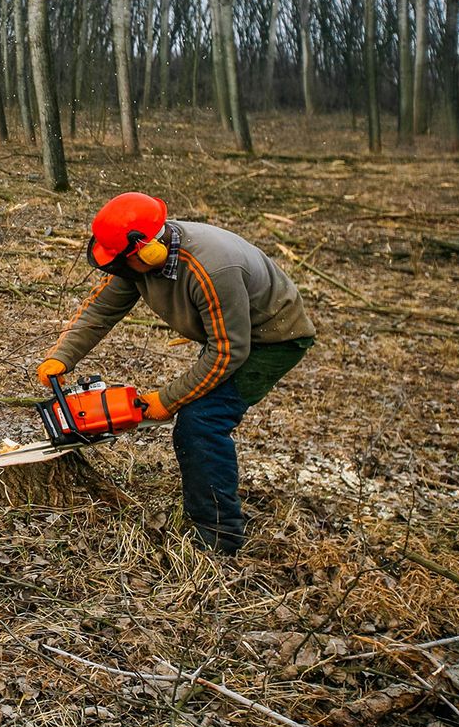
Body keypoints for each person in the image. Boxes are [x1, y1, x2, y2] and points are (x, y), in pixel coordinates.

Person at [37, 192, 315, 553]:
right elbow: (101, 310)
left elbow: (229, 351)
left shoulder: (212, 268)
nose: (117, 270)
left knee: (202, 420)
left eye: (122, 262)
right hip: (231, 334)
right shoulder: (136, 261)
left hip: (272, 339)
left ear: (148, 250)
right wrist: (62, 356)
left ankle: (219, 537)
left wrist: (167, 400)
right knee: (198, 409)